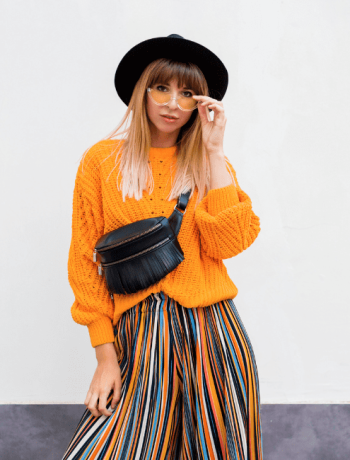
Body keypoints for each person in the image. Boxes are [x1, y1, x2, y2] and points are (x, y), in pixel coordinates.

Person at [62, 34, 263, 460]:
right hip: (138, 335)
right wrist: (105, 356)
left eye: (187, 93)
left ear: (200, 104)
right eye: (162, 88)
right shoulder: (102, 162)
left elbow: (229, 242)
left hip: (213, 333)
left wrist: (213, 150)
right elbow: (85, 261)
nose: (173, 103)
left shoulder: (213, 165)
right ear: (142, 93)